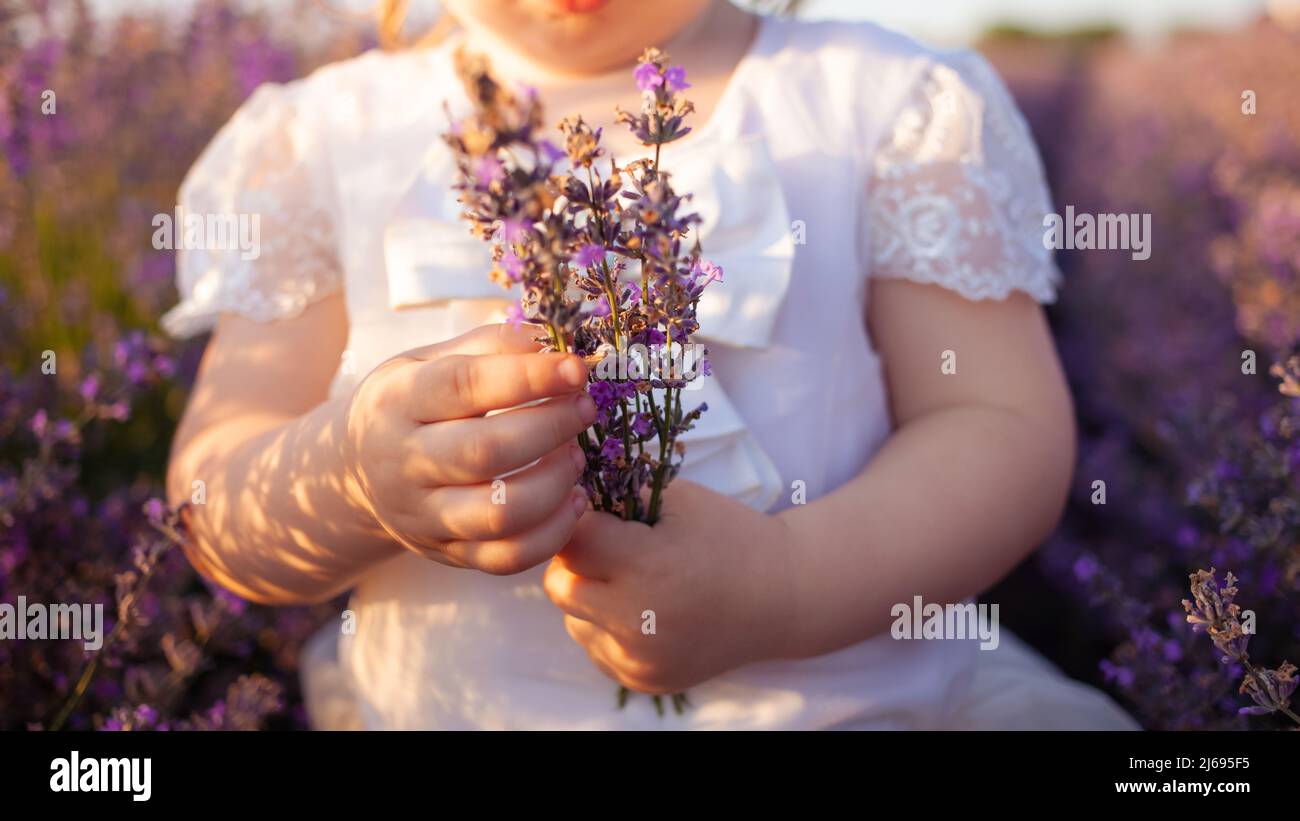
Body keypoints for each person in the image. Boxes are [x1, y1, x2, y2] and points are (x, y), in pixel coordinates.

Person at [164, 0, 1137, 730]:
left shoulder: (878, 105)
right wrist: (349, 475)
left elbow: (998, 425)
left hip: (856, 705)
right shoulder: (325, 139)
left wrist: (787, 581)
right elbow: (212, 489)